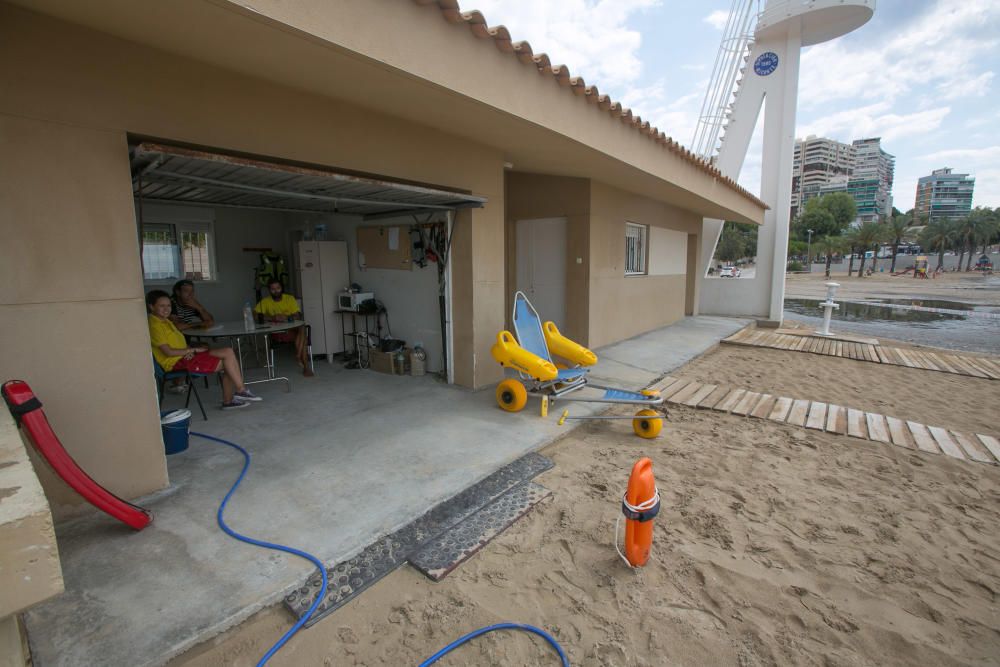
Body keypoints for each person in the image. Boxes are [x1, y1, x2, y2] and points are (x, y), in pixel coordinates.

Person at [147, 290, 262, 410]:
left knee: (228, 352)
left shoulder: (165, 321)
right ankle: (233, 397)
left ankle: (239, 391)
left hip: (185, 356)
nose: (166, 309)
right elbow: (168, 352)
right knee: (228, 364)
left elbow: (177, 344)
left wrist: (190, 350)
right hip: (175, 363)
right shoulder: (155, 325)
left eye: (168, 305)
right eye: (162, 306)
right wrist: (193, 350)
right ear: (151, 306)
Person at [254, 278, 313, 377]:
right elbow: (255, 315)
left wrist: (287, 317)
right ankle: (305, 366)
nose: (276, 291)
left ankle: (300, 357)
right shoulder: (265, 301)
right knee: (303, 337)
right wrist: (272, 317)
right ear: (269, 290)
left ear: (282, 288)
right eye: (273, 289)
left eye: (278, 288)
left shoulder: (289, 298)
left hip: (293, 329)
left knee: (301, 328)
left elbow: (298, 315)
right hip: (278, 332)